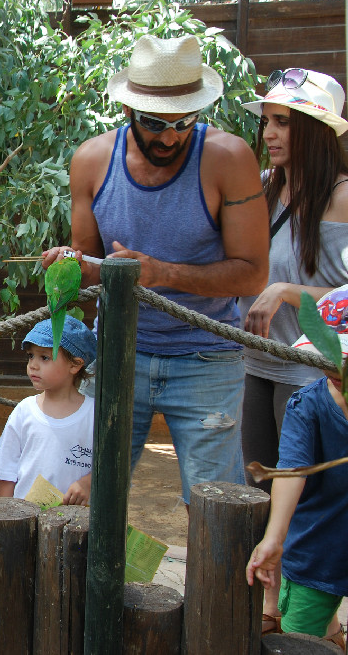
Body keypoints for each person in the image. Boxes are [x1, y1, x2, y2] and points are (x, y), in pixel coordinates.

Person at [43, 34, 269, 505]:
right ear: (128, 109)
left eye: (184, 121)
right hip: (119, 351)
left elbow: (252, 274)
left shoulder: (228, 158)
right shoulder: (92, 160)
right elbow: (90, 268)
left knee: (217, 507)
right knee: (93, 496)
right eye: (155, 123)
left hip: (206, 357)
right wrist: (69, 265)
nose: (170, 137)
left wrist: (161, 273)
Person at [237, 69, 348, 633]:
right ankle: (271, 609)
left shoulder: (342, 198)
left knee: (305, 499)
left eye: (282, 122)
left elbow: (346, 297)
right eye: (267, 122)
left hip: (312, 375)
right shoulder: (262, 186)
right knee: (261, 488)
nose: (269, 134)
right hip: (256, 363)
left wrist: (286, 291)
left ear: (315, 130)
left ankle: (311, 622)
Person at [245, 286, 348, 648]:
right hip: (319, 547)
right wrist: (274, 538)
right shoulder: (307, 406)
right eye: (326, 357)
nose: (334, 368)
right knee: (301, 637)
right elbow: (292, 471)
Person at [0, 315, 97, 503]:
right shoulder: (24, 411)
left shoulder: (94, 415)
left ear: (75, 364)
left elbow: (112, 466)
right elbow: (6, 473)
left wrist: (88, 482)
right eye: (31, 356)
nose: (33, 365)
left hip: (76, 520)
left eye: (44, 357)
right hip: (24, 517)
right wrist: (6, 514)